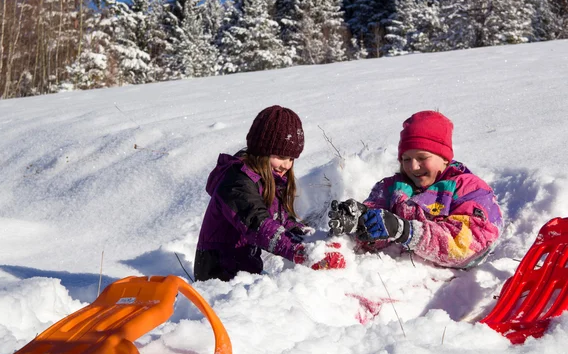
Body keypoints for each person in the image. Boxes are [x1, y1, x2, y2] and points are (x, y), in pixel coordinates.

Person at [328, 110, 505, 269]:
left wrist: (406, 231)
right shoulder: (391, 188)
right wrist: (359, 221)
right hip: (397, 275)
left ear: (444, 158)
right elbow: (376, 228)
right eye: (406, 159)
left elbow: (470, 246)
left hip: (449, 291)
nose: (413, 166)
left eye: (422, 157)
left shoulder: (469, 189)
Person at [194, 105, 344, 281]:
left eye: (291, 159)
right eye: (280, 157)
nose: (286, 165)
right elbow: (258, 224)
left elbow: (282, 221)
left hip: (245, 270)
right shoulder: (236, 182)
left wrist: (311, 238)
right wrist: (300, 251)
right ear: (261, 151)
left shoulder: (269, 179)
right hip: (217, 276)